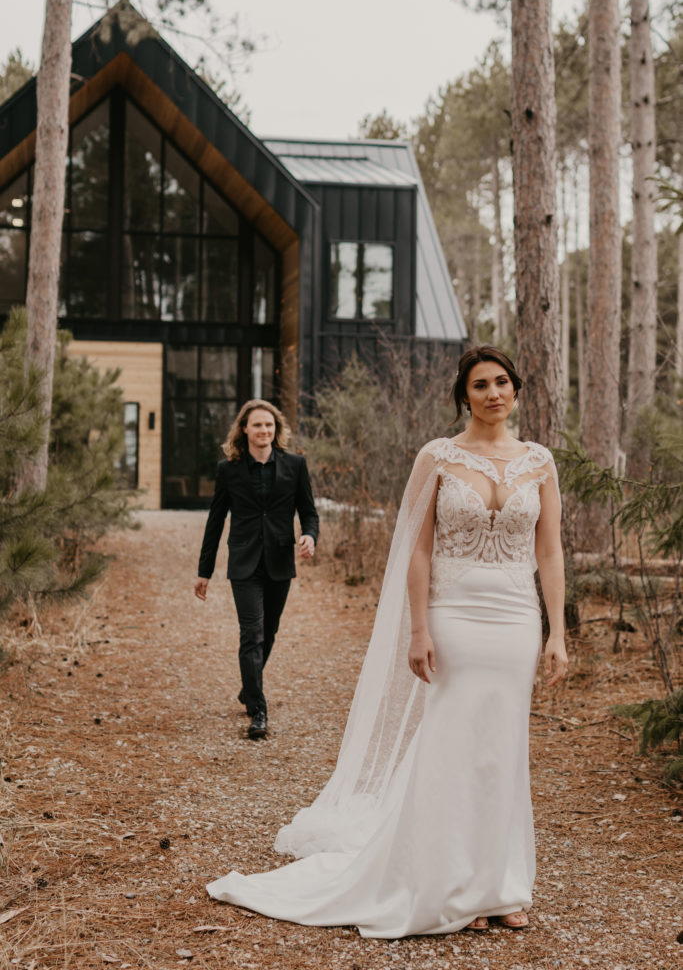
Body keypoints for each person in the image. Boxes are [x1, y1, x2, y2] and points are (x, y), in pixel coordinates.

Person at [206, 345, 568, 934]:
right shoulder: (438, 457)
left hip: (516, 619)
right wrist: (419, 627)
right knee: (451, 743)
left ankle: (499, 884)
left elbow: (549, 550)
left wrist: (557, 631)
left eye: (503, 383)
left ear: (517, 390)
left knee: (503, 746)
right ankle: (449, 880)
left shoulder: (540, 462)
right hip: (455, 614)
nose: (494, 394)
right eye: (480, 385)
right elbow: (419, 549)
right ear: (464, 395)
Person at [194, 399, 319, 740]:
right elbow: (215, 521)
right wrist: (204, 571)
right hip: (244, 562)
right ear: (244, 429)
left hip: (280, 561)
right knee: (252, 633)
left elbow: (308, 512)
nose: (264, 430)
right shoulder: (229, 469)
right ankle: (259, 710)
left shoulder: (295, 465)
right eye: (257, 425)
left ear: (276, 430)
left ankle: (249, 686)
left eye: (269, 425)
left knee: (271, 631)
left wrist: (309, 535)